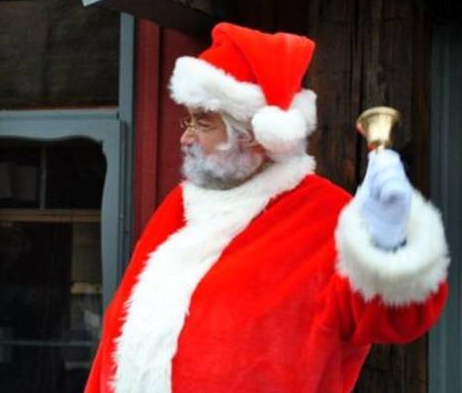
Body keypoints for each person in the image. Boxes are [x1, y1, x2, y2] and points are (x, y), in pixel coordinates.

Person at [84, 22, 449, 393]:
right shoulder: (179, 206)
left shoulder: (329, 219)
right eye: (188, 119)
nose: (185, 135)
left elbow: (401, 319)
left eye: (202, 122)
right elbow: (115, 343)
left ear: (257, 137)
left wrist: (389, 246)